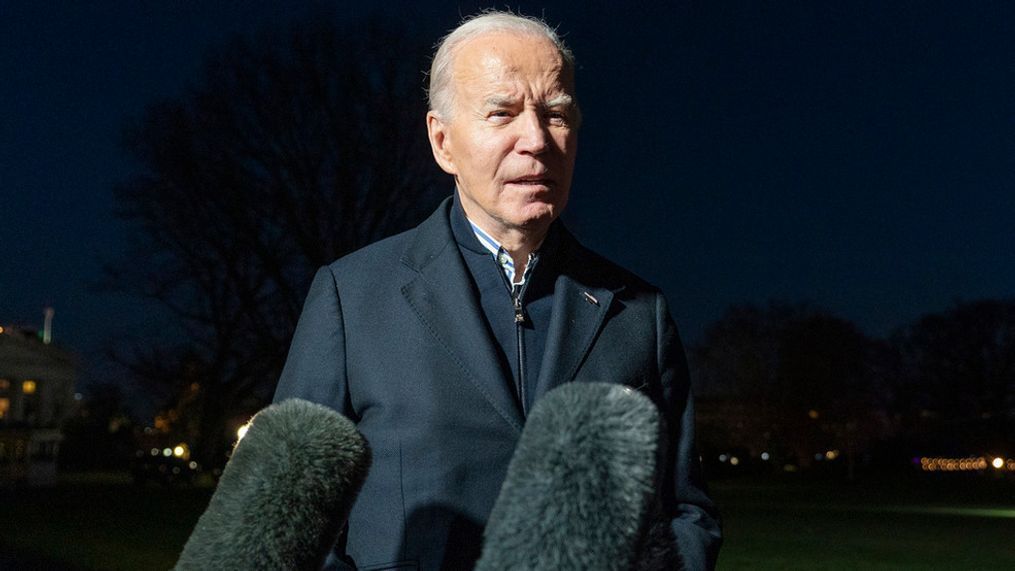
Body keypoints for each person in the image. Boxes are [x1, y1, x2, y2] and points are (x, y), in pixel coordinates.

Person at [273, 11, 722, 570]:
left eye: (556, 114)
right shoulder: (351, 295)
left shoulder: (638, 312)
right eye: (502, 113)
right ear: (443, 142)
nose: (535, 140)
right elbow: (289, 524)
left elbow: (686, 513)